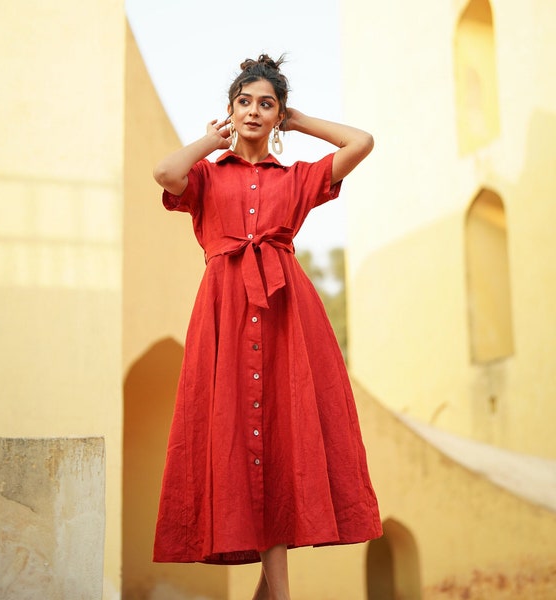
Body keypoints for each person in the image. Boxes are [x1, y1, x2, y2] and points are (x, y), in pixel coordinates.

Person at [152, 54, 382, 600]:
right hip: (225, 317)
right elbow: (165, 173)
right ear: (230, 108)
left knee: (280, 443)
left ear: (278, 115)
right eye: (245, 101)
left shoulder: (297, 179)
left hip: (287, 322)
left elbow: (360, 142)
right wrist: (211, 141)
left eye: (267, 103)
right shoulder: (205, 176)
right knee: (238, 442)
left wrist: (300, 121)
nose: (255, 110)